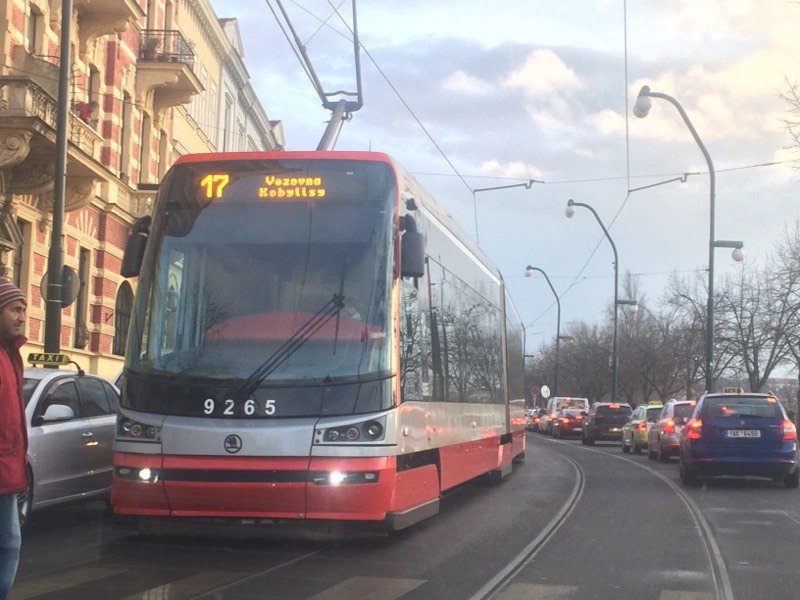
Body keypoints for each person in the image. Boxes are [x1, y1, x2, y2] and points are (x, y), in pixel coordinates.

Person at [0, 280, 27, 599]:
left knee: (9, 545)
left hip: (8, 475)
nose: (21, 317)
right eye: (14, 309)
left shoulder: (11, 356)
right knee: (9, 545)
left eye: (24, 310)